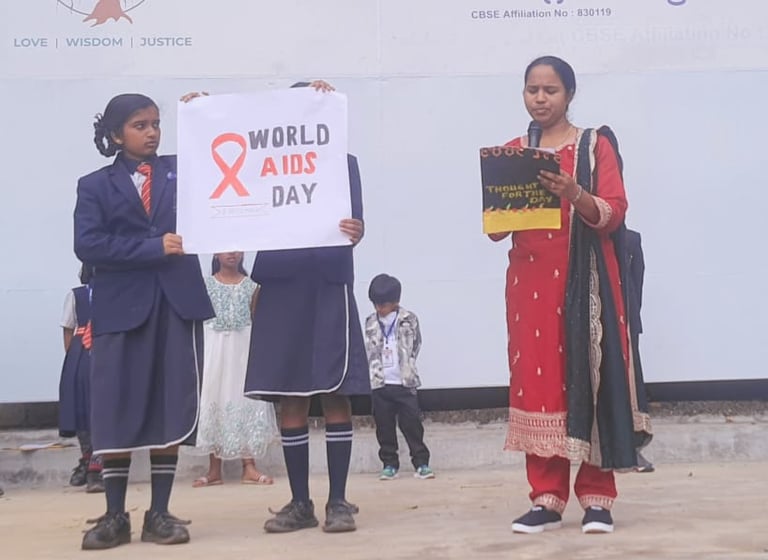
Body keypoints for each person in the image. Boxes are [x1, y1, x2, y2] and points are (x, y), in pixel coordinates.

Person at [488, 56, 652, 535]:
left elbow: (614, 213)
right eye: (532, 90)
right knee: (539, 383)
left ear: (569, 95)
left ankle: (597, 498)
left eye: (551, 90)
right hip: (530, 286)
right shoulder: (512, 152)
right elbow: (496, 232)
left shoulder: (594, 145)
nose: (540, 99)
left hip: (589, 281)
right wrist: (503, 200)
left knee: (593, 376)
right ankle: (546, 498)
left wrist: (574, 192)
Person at [74, 93, 214, 550]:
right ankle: (114, 515)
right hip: (120, 309)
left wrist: (206, 114)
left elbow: (225, 161)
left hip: (175, 303)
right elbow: (89, 245)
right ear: (117, 135)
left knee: (169, 404)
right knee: (115, 406)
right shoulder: (94, 185)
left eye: (156, 123)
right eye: (140, 125)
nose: (152, 132)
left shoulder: (183, 171)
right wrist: (153, 248)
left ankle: (159, 513)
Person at [192, 252, 278, 487]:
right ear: (215, 253)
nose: (232, 253)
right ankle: (214, 470)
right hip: (215, 351)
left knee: (245, 399)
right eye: (226, 248)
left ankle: (249, 466)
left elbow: (257, 318)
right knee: (214, 398)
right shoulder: (205, 284)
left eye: (237, 248)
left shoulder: (252, 286)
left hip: (243, 350)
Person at [364, 273, 434, 481]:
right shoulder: (370, 322)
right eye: (376, 304)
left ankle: (421, 463)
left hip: (404, 382)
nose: (379, 308)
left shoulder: (408, 319)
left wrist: (407, 364)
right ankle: (389, 464)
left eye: (383, 304)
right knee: (384, 426)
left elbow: (416, 344)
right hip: (380, 383)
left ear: (395, 302)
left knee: (412, 424)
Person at [58, 264, 104, 493]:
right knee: (83, 408)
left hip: (102, 350)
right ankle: (88, 459)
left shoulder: (114, 293)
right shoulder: (77, 296)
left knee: (98, 408)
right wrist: (75, 358)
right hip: (85, 352)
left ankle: (96, 464)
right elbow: (69, 328)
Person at [625, 229, 654, 473]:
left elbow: (637, 284)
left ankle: (631, 448)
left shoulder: (631, 240)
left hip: (624, 322)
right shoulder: (579, 242)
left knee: (630, 383)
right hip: (587, 322)